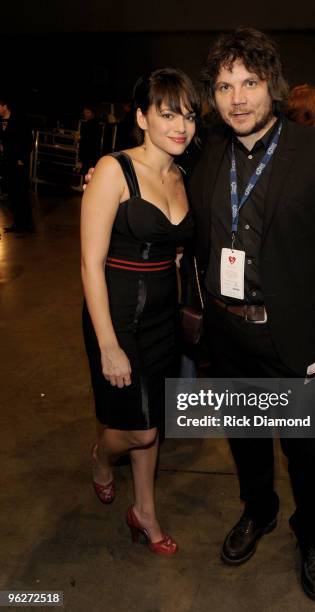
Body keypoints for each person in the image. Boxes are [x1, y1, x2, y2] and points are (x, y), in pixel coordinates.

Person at [189, 28, 315, 601]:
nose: (237, 98)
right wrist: (107, 178)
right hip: (227, 331)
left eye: (250, 82)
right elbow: (153, 179)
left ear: (273, 86)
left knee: (306, 451)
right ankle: (258, 511)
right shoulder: (209, 151)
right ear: (212, 96)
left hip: (295, 338)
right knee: (244, 438)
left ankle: (311, 535)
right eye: (224, 86)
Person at [81, 68, 198, 555]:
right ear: (141, 117)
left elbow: (176, 245)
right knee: (139, 426)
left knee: (155, 422)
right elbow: (90, 263)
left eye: (188, 115)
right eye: (167, 113)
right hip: (118, 314)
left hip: (164, 317)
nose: (180, 126)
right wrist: (108, 344)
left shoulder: (182, 173)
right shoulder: (113, 169)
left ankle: (144, 511)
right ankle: (100, 456)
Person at [0, 95, 33, 232]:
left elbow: (28, 141)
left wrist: (22, 158)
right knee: (12, 194)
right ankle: (17, 223)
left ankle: (26, 224)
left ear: (5, 106)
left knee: (21, 193)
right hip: (6, 162)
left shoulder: (19, 121)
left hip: (18, 162)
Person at [79, 104, 102, 174]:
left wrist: (80, 138)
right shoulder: (96, 124)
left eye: (88, 113)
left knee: (87, 172)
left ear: (92, 113)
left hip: (89, 154)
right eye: (85, 113)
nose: (85, 115)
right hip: (92, 154)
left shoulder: (90, 125)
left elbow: (86, 140)